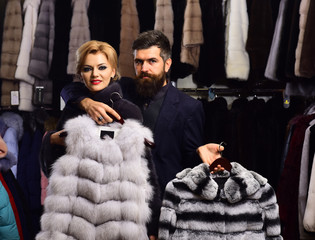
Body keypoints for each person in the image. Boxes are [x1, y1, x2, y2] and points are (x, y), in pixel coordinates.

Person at [61, 30, 223, 197]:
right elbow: (70, 89)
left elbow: (189, 165)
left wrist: (199, 152)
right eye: (139, 62)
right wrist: (86, 102)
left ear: (167, 64)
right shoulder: (120, 89)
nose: (144, 68)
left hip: (163, 199)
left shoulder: (189, 107)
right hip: (120, 199)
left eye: (152, 61)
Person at [39, 40, 161, 239]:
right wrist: (51, 141)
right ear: (81, 74)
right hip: (75, 223)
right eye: (88, 69)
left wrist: (153, 226)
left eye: (102, 67)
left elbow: (147, 172)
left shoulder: (128, 111)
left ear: (113, 71)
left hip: (117, 223)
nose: (95, 74)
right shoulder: (73, 110)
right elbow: (51, 169)